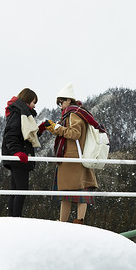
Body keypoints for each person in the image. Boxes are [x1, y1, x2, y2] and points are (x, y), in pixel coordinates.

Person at [44, 83, 103, 224]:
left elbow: (75, 134)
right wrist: (55, 128)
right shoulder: (79, 112)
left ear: (68, 100)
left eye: (61, 102)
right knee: (80, 193)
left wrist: (57, 129)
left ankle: (63, 223)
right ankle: (79, 222)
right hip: (79, 157)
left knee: (67, 194)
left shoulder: (72, 115)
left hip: (71, 158)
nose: (61, 106)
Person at [1, 88, 44, 217]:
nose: (34, 105)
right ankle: (16, 218)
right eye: (33, 102)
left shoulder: (21, 112)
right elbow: (11, 135)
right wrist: (17, 153)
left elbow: (25, 135)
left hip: (19, 156)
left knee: (16, 190)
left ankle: (13, 217)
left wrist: (40, 130)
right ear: (27, 100)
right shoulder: (18, 113)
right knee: (21, 189)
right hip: (19, 158)